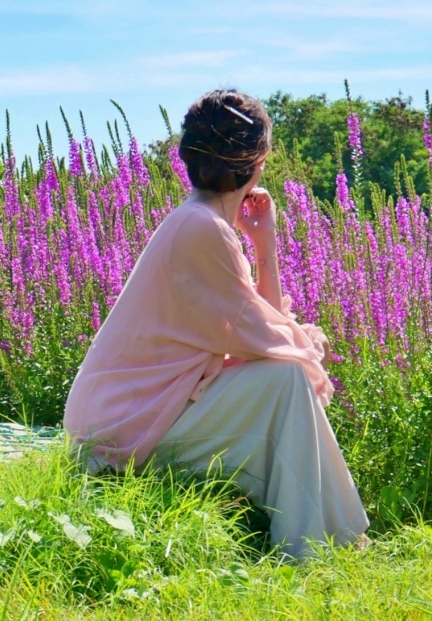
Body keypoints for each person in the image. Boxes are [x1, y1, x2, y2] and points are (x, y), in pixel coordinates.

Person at [63, 89, 369, 559]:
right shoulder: (201, 229)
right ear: (261, 159)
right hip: (121, 431)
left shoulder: (202, 223)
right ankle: (315, 547)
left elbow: (258, 330)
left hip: (135, 414)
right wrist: (305, 352)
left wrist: (263, 245)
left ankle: (323, 539)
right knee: (286, 378)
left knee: (283, 376)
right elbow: (266, 341)